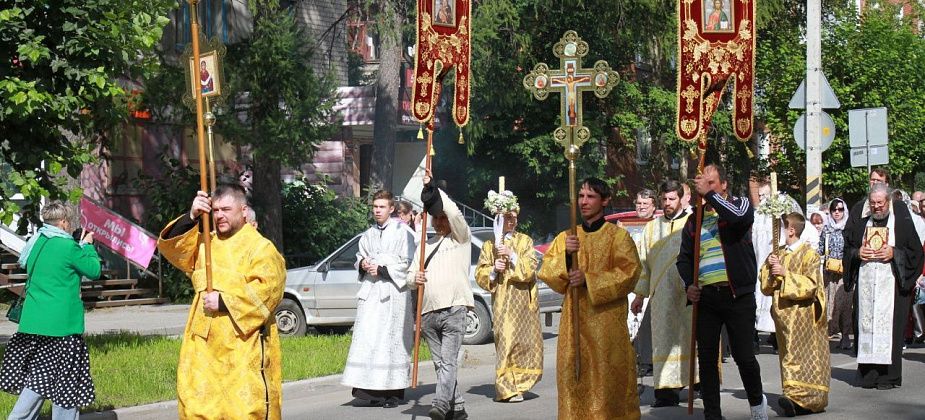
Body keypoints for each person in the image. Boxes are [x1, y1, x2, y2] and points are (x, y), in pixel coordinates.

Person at [157, 183, 286, 418]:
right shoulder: (207, 243)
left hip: (242, 346)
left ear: (243, 211)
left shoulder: (261, 248)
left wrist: (225, 301)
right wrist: (192, 215)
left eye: (226, 209)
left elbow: (269, 291)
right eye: (215, 211)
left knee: (244, 411)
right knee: (197, 408)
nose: (219, 216)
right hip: (203, 347)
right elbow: (174, 250)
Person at [538, 177, 641, 420]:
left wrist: (589, 279)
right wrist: (565, 255)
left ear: (604, 201)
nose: (584, 202)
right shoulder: (567, 238)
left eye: (591, 196)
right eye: (581, 196)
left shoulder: (617, 237)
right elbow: (548, 273)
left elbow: (629, 273)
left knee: (606, 384)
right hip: (573, 324)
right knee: (574, 379)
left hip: (606, 326)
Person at [678, 163, 768, 420]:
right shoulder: (694, 220)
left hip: (737, 295)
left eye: (712, 183)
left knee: (744, 356)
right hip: (707, 297)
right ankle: (713, 415)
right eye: (702, 184)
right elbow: (684, 259)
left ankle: (756, 403)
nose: (705, 188)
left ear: (724, 185)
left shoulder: (739, 204)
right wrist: (689, 284)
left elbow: (739, 219)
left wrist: (709, 195)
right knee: (706, 360)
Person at [0, 202, 100, 419]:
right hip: (62, 327)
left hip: (34, 324)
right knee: (66, 384)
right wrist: (88, 246)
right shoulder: (69, 247)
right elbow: (94, 270)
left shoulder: (36, 243)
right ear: (63, 222)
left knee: (38, 378)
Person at [843, 183, 924, 389]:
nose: (877, 207)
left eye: (880, 203)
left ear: (888, 202)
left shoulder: (902, 223)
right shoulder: (861, 223)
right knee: (866, 326)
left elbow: (915, 253)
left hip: (893, 288)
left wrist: (894, 253)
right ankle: (867, 375)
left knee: (890, 330)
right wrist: (857, 254)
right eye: (873, 203)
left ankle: (889, 376)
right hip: (866, 287)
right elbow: (848, 249)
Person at [408, 171, 473, 420]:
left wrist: (433, 189)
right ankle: (457, 407)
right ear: (433, 220)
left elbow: (455, 213)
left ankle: (440, 404)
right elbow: (408, 277)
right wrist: (415, 278)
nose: (442, 219)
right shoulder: (424, 246)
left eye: (443, 215)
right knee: (439, 364)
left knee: (448, 362)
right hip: (427, 312)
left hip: (454, 308)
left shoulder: (461, 238)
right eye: (437, 217)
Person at [342, 191, 415, 408]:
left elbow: (409, 262)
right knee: (370, 340)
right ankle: (369, 391)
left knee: (389, 342)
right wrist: (363, 263)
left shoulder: (405, 232)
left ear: (391, 209)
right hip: (372, 293)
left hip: (393, 294)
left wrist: (383, 269)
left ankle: (392, 393)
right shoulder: (368, 234)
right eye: (375, 206)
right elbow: (359, 257)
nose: (377, 210)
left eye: (382, 207)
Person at [629, 180, 697, 407]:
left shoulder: (692, 224)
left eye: (672, 199)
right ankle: (666, 392)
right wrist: (639, 295)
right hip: (661, 295)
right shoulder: (652, 228)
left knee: (691, 338)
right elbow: (643, 264)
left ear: (680, 199)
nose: (667, 203)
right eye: (664, 199)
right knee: (663, 341)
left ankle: (696, 382)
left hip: (689, 291)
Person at [474, 189, 542, 403]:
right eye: (507, 217)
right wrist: (494, 268)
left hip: (524, 303)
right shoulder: (489, 245)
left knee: (525, 344)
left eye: (514, 217)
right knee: (506, 342)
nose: (511, 221)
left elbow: (530, 269)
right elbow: (481, 274)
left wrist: (511, 256)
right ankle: (506, 389)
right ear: (499, 219)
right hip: (503, 304)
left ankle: (521, 384)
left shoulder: (525, 241)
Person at [760, 212, 830, 417]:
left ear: (791, 230)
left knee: (805, 359)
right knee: (788, 357)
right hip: (783, 318)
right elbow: (765, 286)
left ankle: (806, 400)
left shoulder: (810, 254)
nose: (778, 233)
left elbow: (811, 285)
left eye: (781, 228)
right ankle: (792, 397)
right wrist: (769, 269)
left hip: (804, 317)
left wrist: (785, 274)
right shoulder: (778, 253)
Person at [818, 198, 852, 349]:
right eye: (834, 210)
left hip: (845, 273)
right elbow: (819, 248)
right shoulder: (827, 229)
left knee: (844, 304)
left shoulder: (849, 228)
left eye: (840, 209)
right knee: (829, 304)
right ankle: (828, 334)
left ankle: (845, 336)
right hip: (829, 273)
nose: (837, 212)